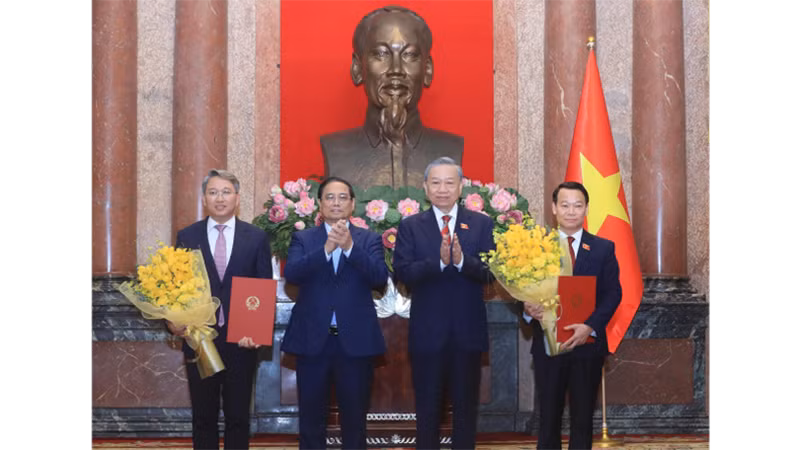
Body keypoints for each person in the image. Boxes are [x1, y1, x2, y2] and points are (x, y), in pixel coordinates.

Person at [393, 157, 495, 450]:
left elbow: (491, 274)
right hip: (427, 335)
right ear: (425, 188)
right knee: (427, 410)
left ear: (461, 186)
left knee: (465, 410)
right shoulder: (411, 226)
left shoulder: (480, 224)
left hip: (468, 333)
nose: (442, 189)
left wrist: (462, 262)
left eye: (450, 182)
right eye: (435, 183)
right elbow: (403, 273)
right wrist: (437, 262)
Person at [281, 177, 388, 450]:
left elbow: (379, 278)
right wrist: (326, 250)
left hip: (355, 342)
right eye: (330, 197)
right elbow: (292, 274)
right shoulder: (303, 238)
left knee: (354, 421)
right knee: (311, 420)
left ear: (352, 204)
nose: (336, 202)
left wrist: (350, 247)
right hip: (313, 341)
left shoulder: (369, 239)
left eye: (343, 197)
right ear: (319, 203)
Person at [170, 169, 273, 450]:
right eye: (213, 192)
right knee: (203, 416)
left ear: (237, 198)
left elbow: (264, 287)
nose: (220, 198)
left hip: (242, 340)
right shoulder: (187, 236)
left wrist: (257, 332)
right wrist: (173, 323)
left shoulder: (256, 238)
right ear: (204, 198)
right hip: (199, 338)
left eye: (226, 192)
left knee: (238, 417)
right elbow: (175, 286)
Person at [523, 181, 622, 450]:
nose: (571, 211)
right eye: (564, 205)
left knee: (582, 419)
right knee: (548, 417)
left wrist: (589, 327)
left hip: (587, 346)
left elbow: (613, 294)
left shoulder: (603, 248)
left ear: (586, 209)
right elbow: (525, 288)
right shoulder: (536, 247)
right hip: (548, 345)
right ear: (554, 208)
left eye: (578, 205)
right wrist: (528, 308)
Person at [321, 5, 463, 189]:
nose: (396, 70)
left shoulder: (450, 147)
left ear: (427, 70)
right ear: (357, 69)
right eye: (381, 54)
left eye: (409, 55)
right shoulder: (336, 149)